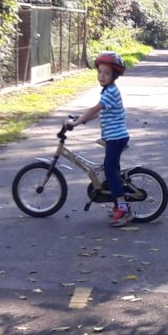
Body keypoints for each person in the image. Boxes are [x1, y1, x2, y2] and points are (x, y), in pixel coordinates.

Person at [67, 51, 132, 227]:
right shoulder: (108, 91)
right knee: (111, 170)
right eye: (100, 72)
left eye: (107, 73)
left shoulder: (110, 92)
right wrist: (82, 119)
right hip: (113, 137)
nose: (102, 76)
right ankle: (118, 203)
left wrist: (77, 122)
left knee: (110, 171)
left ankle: (123, 209)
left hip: (116, 138)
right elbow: (100, 113)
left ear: (114, 75)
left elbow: (95, 109)